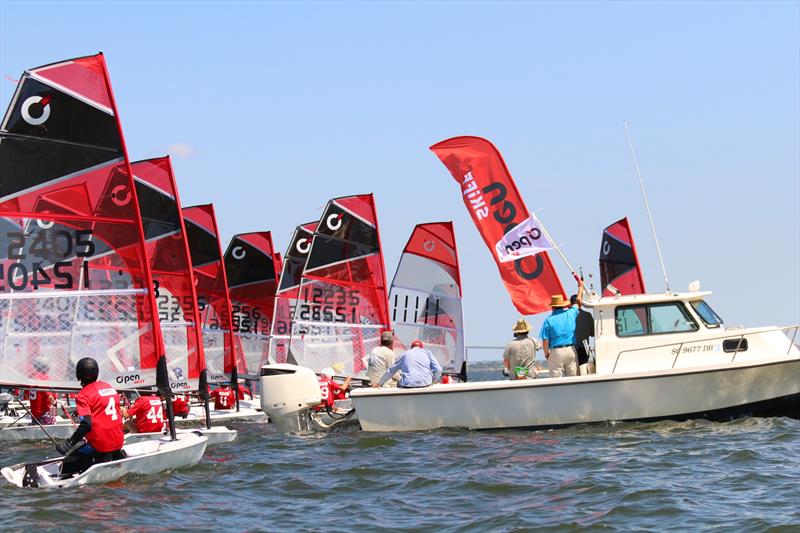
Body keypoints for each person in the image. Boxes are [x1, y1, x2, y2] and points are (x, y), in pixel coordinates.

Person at [56, 358, 125, 476]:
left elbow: (86, 425)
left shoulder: (83, 395)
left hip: (100, 447)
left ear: (79, 375)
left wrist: (68, 444)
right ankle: (115, 456)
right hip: (118, 443)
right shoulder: (110, 388)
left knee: (65, 466)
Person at [540, 283, 584, 378]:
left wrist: (546, 354)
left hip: (556, 352)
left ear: (552, 307)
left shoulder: (548, 320)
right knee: (574, 380)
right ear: (563, 305)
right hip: (571, 350)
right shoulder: (571, 313)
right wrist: (580, 288)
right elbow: (578, 302)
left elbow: (545, 340)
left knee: (556, 382)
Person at [374, 340, 442, 389]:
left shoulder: (404, 354)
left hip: (408, 385)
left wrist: (380, 383)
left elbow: (391, 371)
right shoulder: (427, 352)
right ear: (422, 347)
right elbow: (438, 369)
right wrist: (434, 380)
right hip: (426, 383)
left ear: (411, 347)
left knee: (396, 382)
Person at [571, 294, 595, 375]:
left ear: (571, 304)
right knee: (584, 371)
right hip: (584, 347)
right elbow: (592, 333)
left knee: (573, 373)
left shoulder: (569, 316)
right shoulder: (588, 315)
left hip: (572, 347)